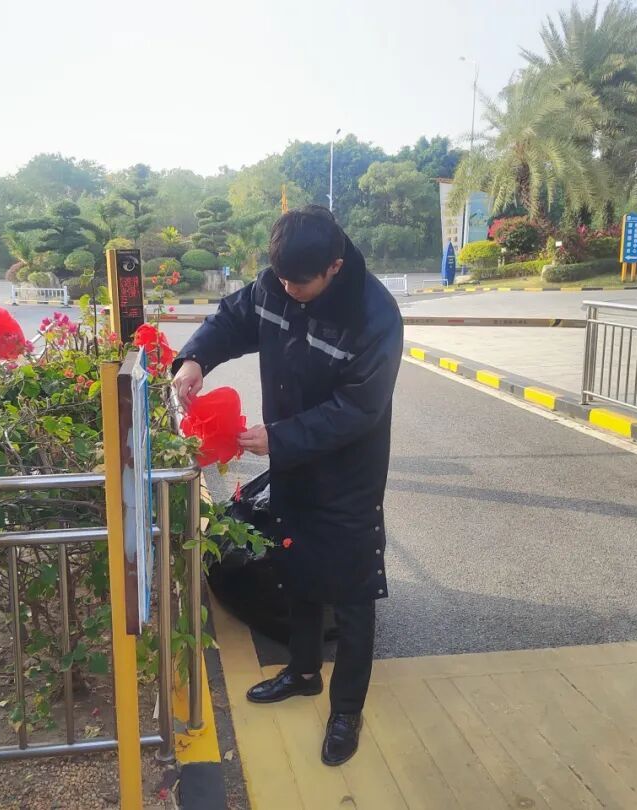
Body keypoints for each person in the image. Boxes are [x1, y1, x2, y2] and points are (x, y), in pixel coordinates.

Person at [171, 205, 402, 766]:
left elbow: (359, 409)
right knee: (295, 565)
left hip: (348, 475)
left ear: (334, 267)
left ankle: (346, 709)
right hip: (293, 462)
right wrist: (195, 358)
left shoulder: (374, 316)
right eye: (281, 280)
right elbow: (233, 318)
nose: (288, 291)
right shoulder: (277, 285)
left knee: (351, 591)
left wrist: (280, 437)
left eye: (300, 283)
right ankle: (302, 673)